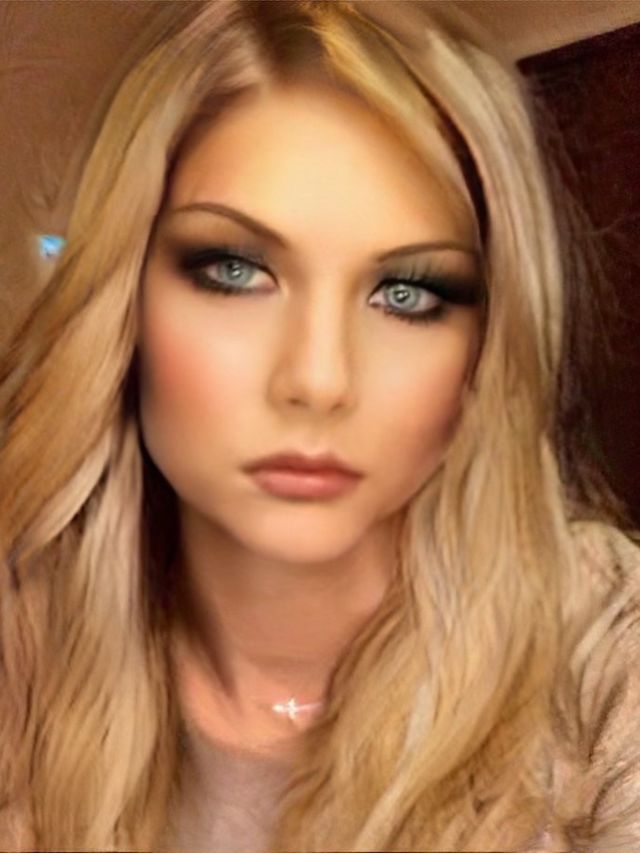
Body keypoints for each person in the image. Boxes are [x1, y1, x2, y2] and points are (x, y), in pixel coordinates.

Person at [1, 1, 639, 851]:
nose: (319, 379)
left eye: (406, 293)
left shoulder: (608, 663)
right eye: (235, 271)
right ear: (125, 308)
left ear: (485, 352)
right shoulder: (24, 649)